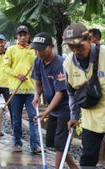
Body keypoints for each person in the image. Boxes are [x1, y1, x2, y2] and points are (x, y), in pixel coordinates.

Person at [31, 32, 78, 169]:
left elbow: (60, 94)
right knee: (53, 142)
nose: (38, 52)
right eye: (36, 49)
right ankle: (74, 167)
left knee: (59, 144)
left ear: (51, 47)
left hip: (65, 108)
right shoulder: (38, 61)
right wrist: (36, 96)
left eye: (41, 49)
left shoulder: (60, 63)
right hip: (53, 108)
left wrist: (46, 112)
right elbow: (38, 82)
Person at [63, 22, 105, 167]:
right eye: (71, 47)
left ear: (89, 39)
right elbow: (71, 93)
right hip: (91, 120)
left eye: (79, 46)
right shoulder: (68, 63)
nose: (75, 51)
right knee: (87, 158)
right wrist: (74, 116)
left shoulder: (104, 54)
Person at [4, 25, 40, 154]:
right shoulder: (11, 50)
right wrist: (17, 74)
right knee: (16, 117)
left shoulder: (35, 50)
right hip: (16, 89)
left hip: (31, 89)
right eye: (20, 35)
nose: (23, 37)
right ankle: (17, 142)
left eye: (25, 35)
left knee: (33, 117)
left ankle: (35, 145)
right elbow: (5, 67)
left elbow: (39, 67)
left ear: (29, 35)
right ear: (17, 37)